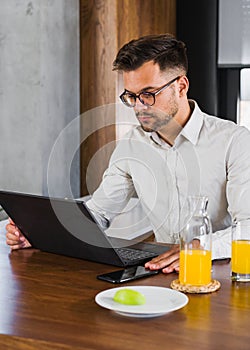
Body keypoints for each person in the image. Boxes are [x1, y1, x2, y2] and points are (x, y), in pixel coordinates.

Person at [6, 34, 250, 273]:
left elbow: (247, 227)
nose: (138, 107)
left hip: (220, 271)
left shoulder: (233, 141)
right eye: (131, 96)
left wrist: (200, 247)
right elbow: (99, 213)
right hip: (162, 272)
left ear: (181, 86)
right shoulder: (131, 146)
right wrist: (41, 235)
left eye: (148, 94)